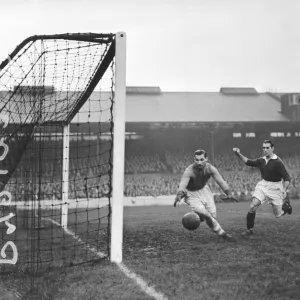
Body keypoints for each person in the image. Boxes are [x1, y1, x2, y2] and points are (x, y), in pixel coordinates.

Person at [174, 149, 238, 242]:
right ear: (194, 159)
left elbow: (220, 181)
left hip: (205, 191)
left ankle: (199, 216)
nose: (199, 162)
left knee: (212, 215)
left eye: (201, 159)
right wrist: (180, 193)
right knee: (206, 215)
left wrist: (228, 193)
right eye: (197, 160)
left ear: (206, 158)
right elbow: (183, 183)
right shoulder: (189, 170)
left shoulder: (211, 168)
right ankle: (223, 234)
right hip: (191, 194)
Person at [233, 140, 292, 237]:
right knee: (253, 206)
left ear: (272, 148)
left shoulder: (278, 162)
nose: (265, 150)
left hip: (276, 188)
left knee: (278, 214)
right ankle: (249, 230)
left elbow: (287, 178)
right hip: (263, 185)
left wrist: (284, 189)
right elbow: (248, 162)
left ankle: (287, 208)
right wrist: (238, 153)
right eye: (263, 148)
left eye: (267, 148)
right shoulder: (261, 160)